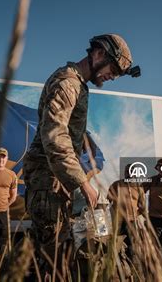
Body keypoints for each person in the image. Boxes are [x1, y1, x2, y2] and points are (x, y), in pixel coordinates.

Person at [23, 34, 141, 279]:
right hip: (50, 182)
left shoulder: (78, 85)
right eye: (114, 69)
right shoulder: (67, 83)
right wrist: (82, 182)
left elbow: (66, 132)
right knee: (52, 261)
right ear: (98, 54)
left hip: (58, 182)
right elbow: (55, 135)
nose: (113, 77)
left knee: (66, 257)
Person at [107, 164, 146, 258]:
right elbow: (108, 200)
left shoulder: (138, 187)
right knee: (117, 242)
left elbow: (142, 206)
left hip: (132, 221)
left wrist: (136, 215)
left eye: (131, 171)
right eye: (127, 171)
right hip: (118, 221)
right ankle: (118, 264)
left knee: (131, 244)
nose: (129, 173)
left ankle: (130, 264)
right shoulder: (116, 184)